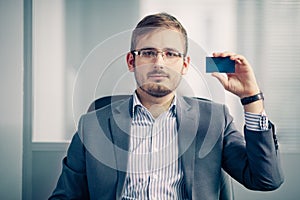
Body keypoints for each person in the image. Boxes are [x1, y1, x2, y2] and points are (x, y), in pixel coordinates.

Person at [49, 13, 284, 200]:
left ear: (184, 64)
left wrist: (251, 98)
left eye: (170, 54)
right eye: (148, 52)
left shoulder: (213, 120)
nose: (159, 63)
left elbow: (266, 179)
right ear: (132, 61)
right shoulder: (92, 126)